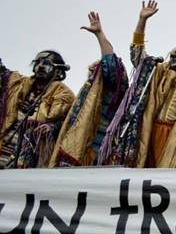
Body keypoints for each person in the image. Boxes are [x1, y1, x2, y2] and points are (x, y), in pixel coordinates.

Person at [99, 0, 176, 167]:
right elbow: (138, 57)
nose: (173, 56)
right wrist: (142, 20)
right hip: (149, 131)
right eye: (172, 53)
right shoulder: (157, 72)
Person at [0, 23, 74, 168]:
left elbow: (71, 123)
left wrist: (52, 127)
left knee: (22, 180)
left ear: (58, 70)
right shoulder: (18, 82)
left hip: (35, 150)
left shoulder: (65, 94)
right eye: (38, 62)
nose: (41, 66)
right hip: (5, 146)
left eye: (47, 63)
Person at [50, 12, 128, 166]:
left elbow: (111, 65)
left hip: (97, 151)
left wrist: (99, 34)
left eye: (97, 71)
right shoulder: (86, 97)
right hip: (76, 149)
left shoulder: (112, 91)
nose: (93, 75)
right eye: (92, 72)